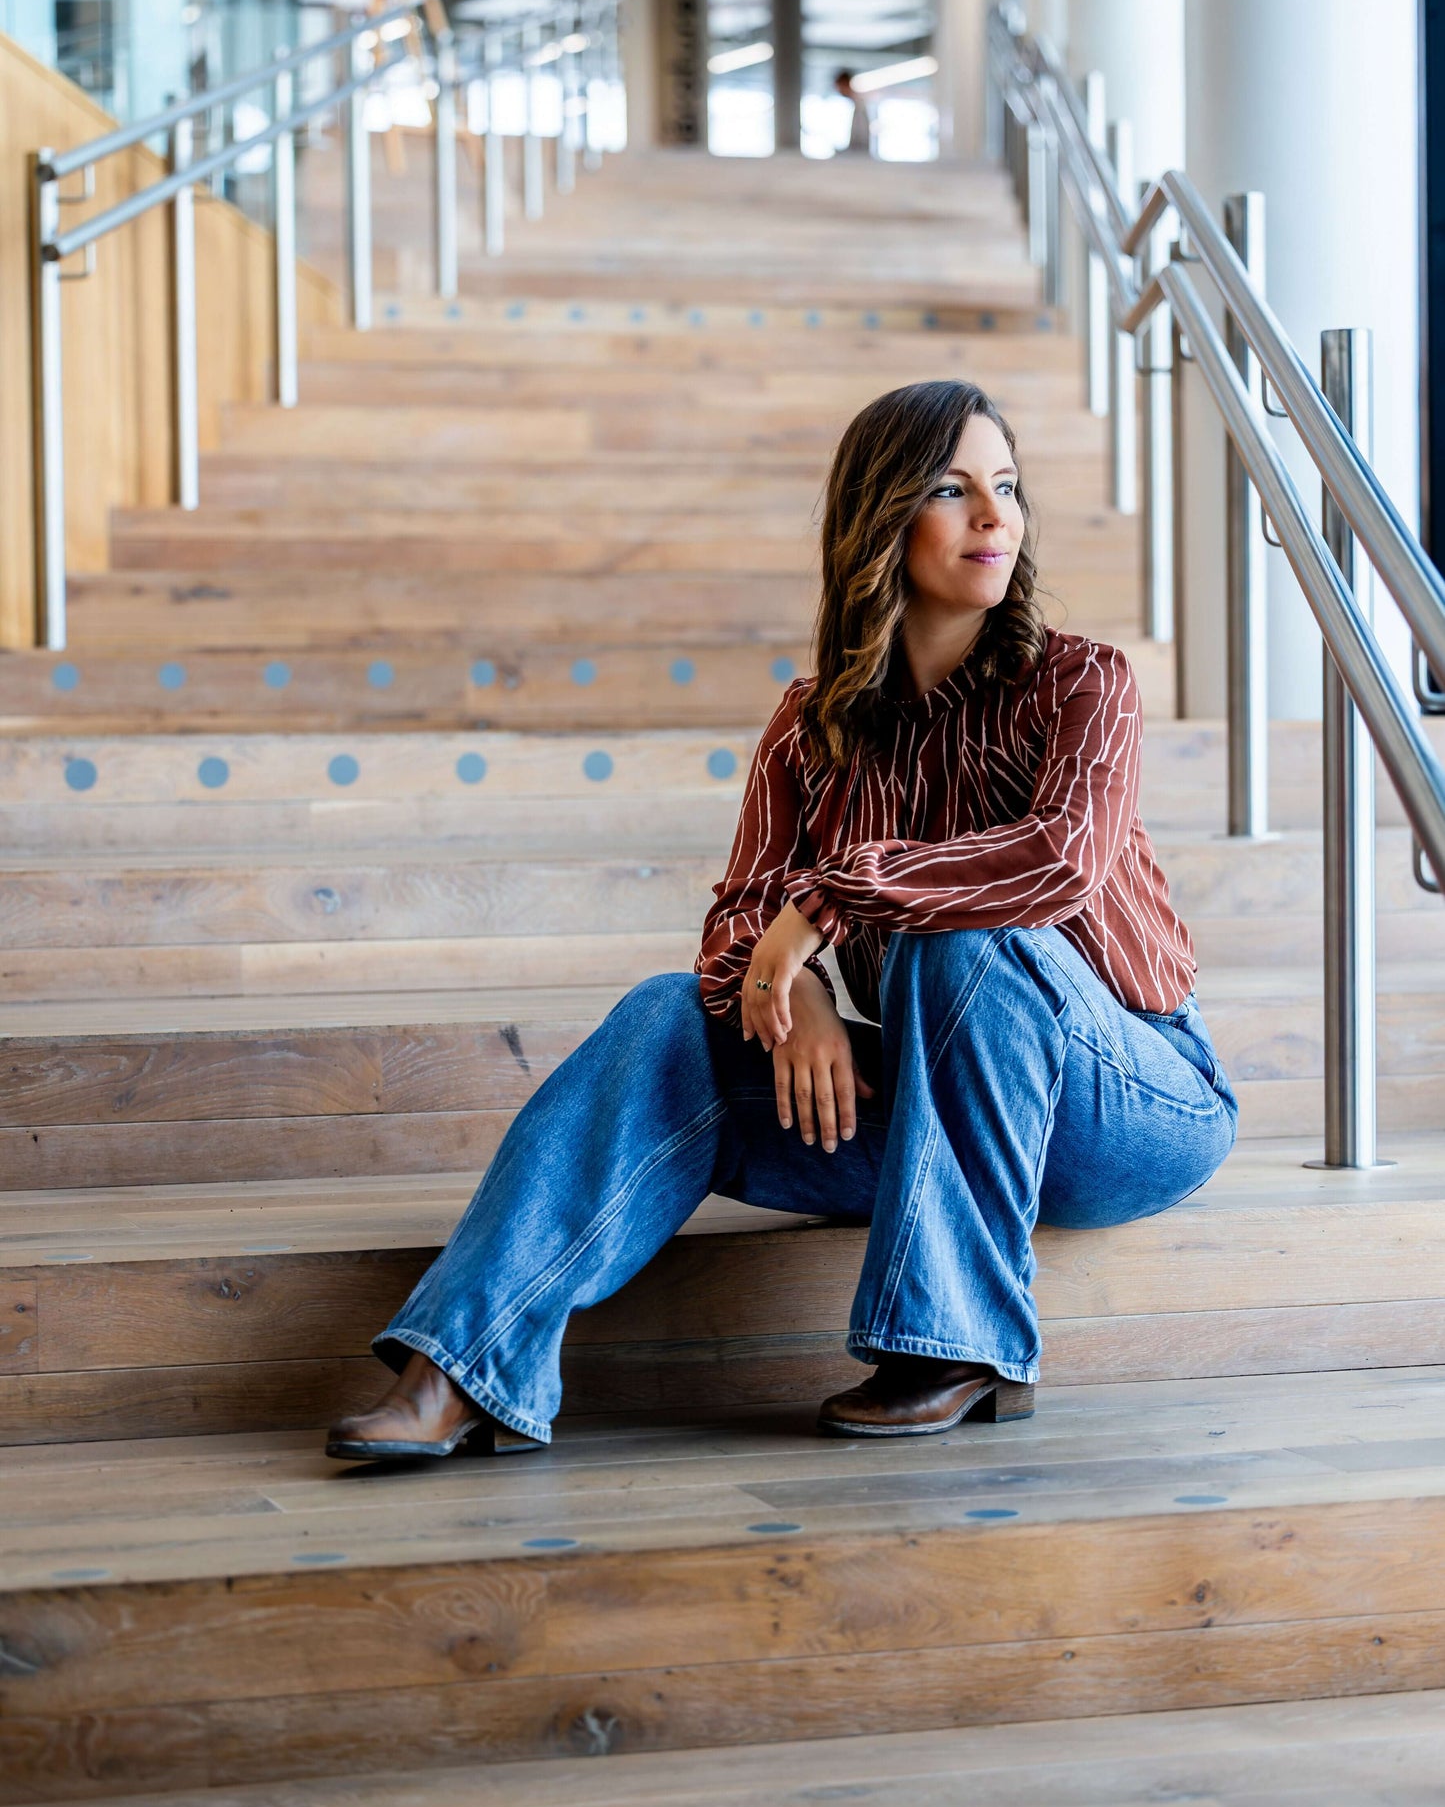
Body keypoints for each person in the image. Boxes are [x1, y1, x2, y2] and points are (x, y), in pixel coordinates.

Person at [326, 379, 1237, 1464]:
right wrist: (791, 991)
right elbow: (734, 925)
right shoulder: (810, 728)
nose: (994, 516)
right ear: (880, 520)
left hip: (1127, 1103)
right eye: (952, 490)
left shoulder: (1082, 682)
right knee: (668, 1017)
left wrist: (829, 899)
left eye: (1005, 487)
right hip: (931, 1110)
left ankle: (954, 1348)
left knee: (964, 940)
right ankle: (463, 1368)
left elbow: (1060, 860)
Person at [834, 69, 873, 155]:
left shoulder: (860, 106)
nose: (839, 91)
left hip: (859, 156)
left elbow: (860, 140)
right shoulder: (855, 104)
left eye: (839, 87)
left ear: (845, 84)